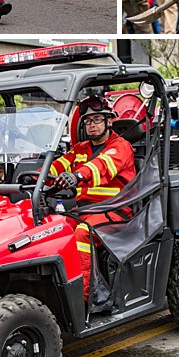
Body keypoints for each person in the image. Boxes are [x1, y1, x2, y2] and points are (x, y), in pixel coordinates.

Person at [47, 95, 135, 303]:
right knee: (53, 230)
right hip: (85, 211)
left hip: (115, 210)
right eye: (87, 121)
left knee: (82, 235)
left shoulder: (120, 146)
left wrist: (77, 175)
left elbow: (102, 165)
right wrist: (38, 177)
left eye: (97, 120)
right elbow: (58, 165)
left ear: (109, 121)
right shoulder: (80, 149)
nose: (92, 125)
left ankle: (85, 297)